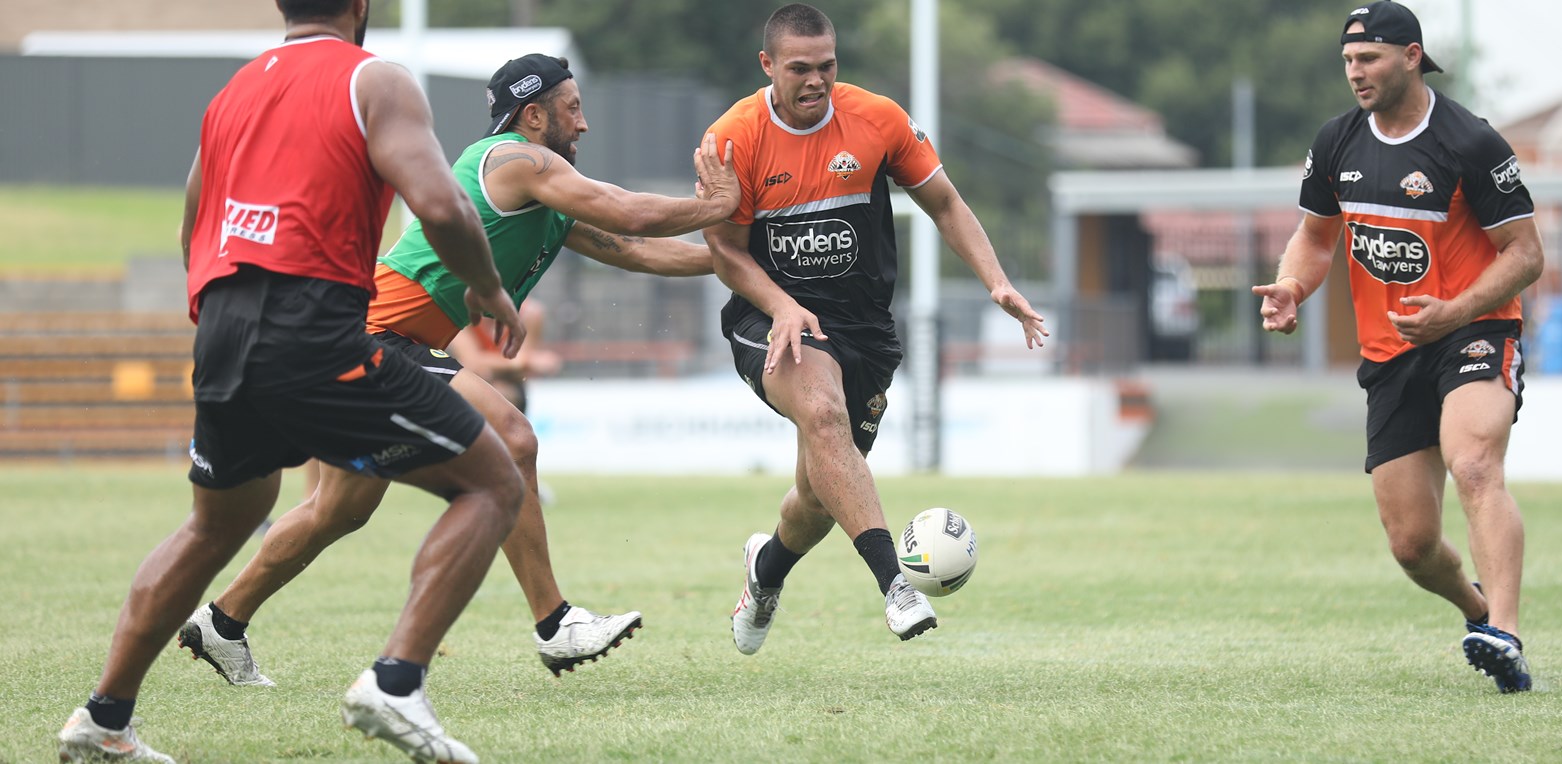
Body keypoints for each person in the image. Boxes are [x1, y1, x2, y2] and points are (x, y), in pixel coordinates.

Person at [57, 1, 531, 761]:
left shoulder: (235, 92)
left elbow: (193, 226)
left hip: (223, 325)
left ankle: (103, 721)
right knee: (493, 484)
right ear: (362, 7)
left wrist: (229, 320)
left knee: (214, 525)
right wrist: (486, 285)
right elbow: (440, 204)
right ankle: (395, 683)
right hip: (310, 325)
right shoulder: (376, 80)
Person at [173, 52, 737, 690]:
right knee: (513, 439)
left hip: (370, 336)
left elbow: (637, 249)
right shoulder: (516, 160)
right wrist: (717, 203)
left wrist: (739, 266)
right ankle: (555, 624)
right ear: (533, 114)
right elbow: (631, 213)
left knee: (337, 511)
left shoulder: (543, 192)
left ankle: (223, 621)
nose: (583, 124)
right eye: (573, 108)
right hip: (377, 334)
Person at [704, 3, 1047, 655]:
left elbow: (944, 202)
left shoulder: (878, 119)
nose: (815, 81)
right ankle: (895, 587)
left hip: (864, 328)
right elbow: (725, 251)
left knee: (821, 493)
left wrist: (996, 281)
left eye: (826, 66)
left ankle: (765, 571)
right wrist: (779, 305)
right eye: (799, 68)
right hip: (771, 317)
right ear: (767, 65)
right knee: (826, 417)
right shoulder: (733, 137)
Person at [1252, 0, 1544, 693]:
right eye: (1349, 61)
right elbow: (1318, 236)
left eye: (1370, 59)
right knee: (1412, 546)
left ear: (1412, 56)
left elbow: (1525, 254)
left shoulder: (1469, 141)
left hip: (1475, 330)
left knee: (1474, 465)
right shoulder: (1336, 142)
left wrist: (1457, 311)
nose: (1356, 72)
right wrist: (1294, 285)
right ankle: (1477, 613)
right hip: (1391, 352)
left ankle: (1506, 628)